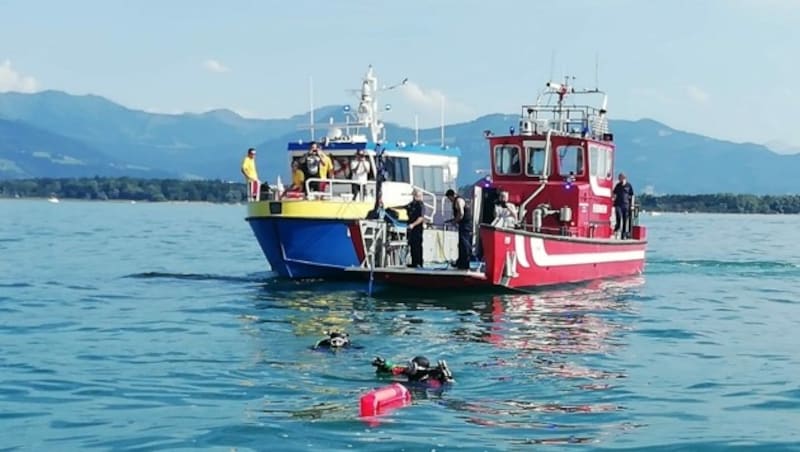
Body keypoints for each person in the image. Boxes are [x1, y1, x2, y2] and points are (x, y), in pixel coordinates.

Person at [371, 355, 454, 387]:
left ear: (416, 369)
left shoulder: (429, 382)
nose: (408, 368)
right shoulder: (407, 372)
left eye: (411, 366)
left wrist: (447, 381)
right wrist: (383, 364)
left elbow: (442, 390)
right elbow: (393, 368)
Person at [445, 188, 472, 270]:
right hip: (462, 224)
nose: (450, 200)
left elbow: (461, 213)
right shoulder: (457, 200)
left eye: (449, 198)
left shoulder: (458, 201)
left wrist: (455, 221)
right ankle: (460, 262)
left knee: (464, 244)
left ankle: (465, 263)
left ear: (451, 196)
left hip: (465, 225)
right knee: (460, 244)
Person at [401, 189, 425, 268]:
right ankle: (414, 262)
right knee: (412, 245)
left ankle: (419, 263)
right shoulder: (411, 204)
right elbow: (404, 207)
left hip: (417, 228)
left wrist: (413, 225)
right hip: (410, 228)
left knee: (417, 245)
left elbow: (421, 218)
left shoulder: (420, 205)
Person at [612, 172, 635, 239]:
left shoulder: (629, 186)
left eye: (620, 178)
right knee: (618, 217)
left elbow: (632, 195)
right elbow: (614, 193)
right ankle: (617, 228)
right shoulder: (618, 185)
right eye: (619, 178)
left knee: (625, 220)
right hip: (618, 204)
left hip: (626, 205)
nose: (619, 179)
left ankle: (623, 234)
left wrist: (632, 205)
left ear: (624, 178)